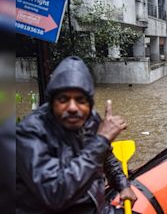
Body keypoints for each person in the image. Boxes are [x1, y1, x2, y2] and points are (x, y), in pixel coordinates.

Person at [16, 56, 137, 213]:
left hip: (95, 206)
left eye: (80, 100)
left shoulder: (91, 120)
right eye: (63, 99)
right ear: (52, 102)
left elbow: (106, 157)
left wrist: (123, 184)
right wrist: (102, 140)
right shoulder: (29, 133)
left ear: (89, 104)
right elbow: (55, 194)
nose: (73, 107)